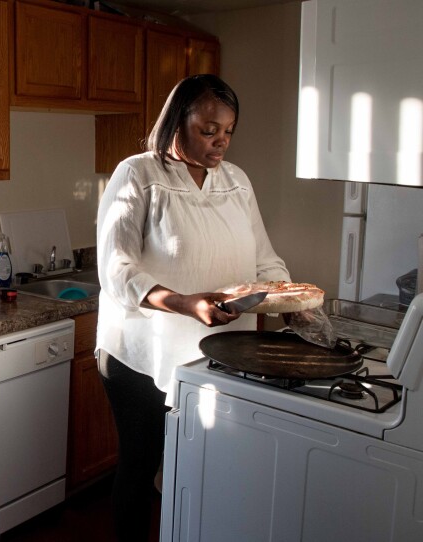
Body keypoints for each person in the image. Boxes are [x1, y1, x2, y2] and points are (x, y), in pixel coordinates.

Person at [95, 74, 290, 541]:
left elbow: (265, 258)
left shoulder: (236, 181)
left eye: (227, 132)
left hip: (216, 352)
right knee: (142, 466)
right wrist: (183, 303)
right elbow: (116, 269)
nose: (220, 142)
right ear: (177, 122)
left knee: (200, 463)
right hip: (141, 353)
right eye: (208, 130)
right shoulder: (138, 174)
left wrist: (292, 299)